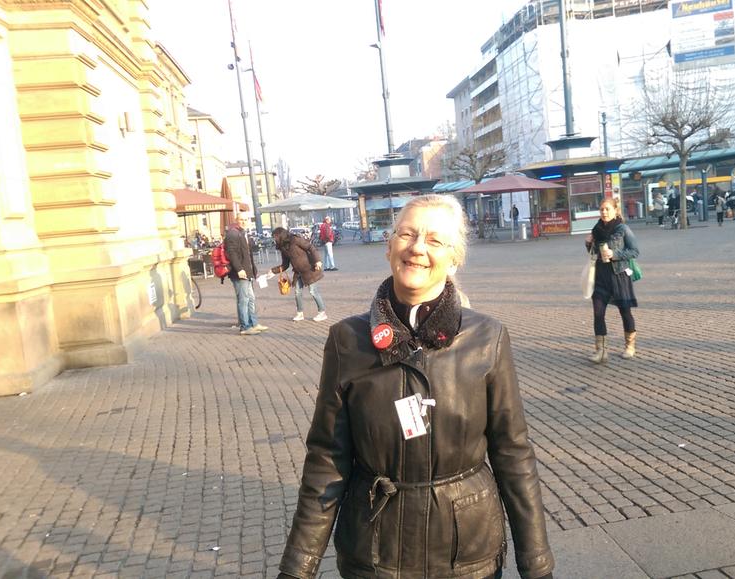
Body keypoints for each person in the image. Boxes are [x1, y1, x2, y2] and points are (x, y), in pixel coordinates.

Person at [277, 194, 554, 579]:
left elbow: (513, 453)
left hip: (466, 552)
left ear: (454, 258)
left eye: (435, 240)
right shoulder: (347, 340)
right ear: (389, 247)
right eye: (407, 234)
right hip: (375, 552)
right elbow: (327, 460)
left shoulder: (486, 338)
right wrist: (297, 567)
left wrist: (536, 563)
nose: (417, 248)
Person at [585, 197, 640, 363]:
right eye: (602, 209)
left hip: (619, 275)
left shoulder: (622, 229)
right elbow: (594, 253)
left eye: (607, 209)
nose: (604, 212)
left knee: (625, 311)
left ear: (615, 211)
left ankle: (630, 346)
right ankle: (601, 351)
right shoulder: (596, 229)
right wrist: (588, 244)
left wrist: (614, 254)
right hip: (600, 276)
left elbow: (634, 251)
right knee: (598, 313)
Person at [270, 228, 328, 321]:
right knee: (297, 292)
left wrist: (318, 261)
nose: (274, 239)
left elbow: (310, 247)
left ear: (280, 236)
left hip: (309, 269)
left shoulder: (295, 239)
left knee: (313, 291)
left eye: (275, 237)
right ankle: (300, 313)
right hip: (298, 272)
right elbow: (285, 264)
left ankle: (322, 312)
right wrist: (272, 271)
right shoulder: (283, 247)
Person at [224, 214, 267, 335]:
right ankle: (245, 327)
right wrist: (239, 269)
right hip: (240, 273)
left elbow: (247, 254)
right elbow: (232, 253)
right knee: (243, 300)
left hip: (247, 272)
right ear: (236, 220)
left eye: (245, 219)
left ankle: (253, 323)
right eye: (241, 220)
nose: (243, 222)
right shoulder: (233, 234)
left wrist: (253, 269)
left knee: (251, 298)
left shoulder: (242, 233)